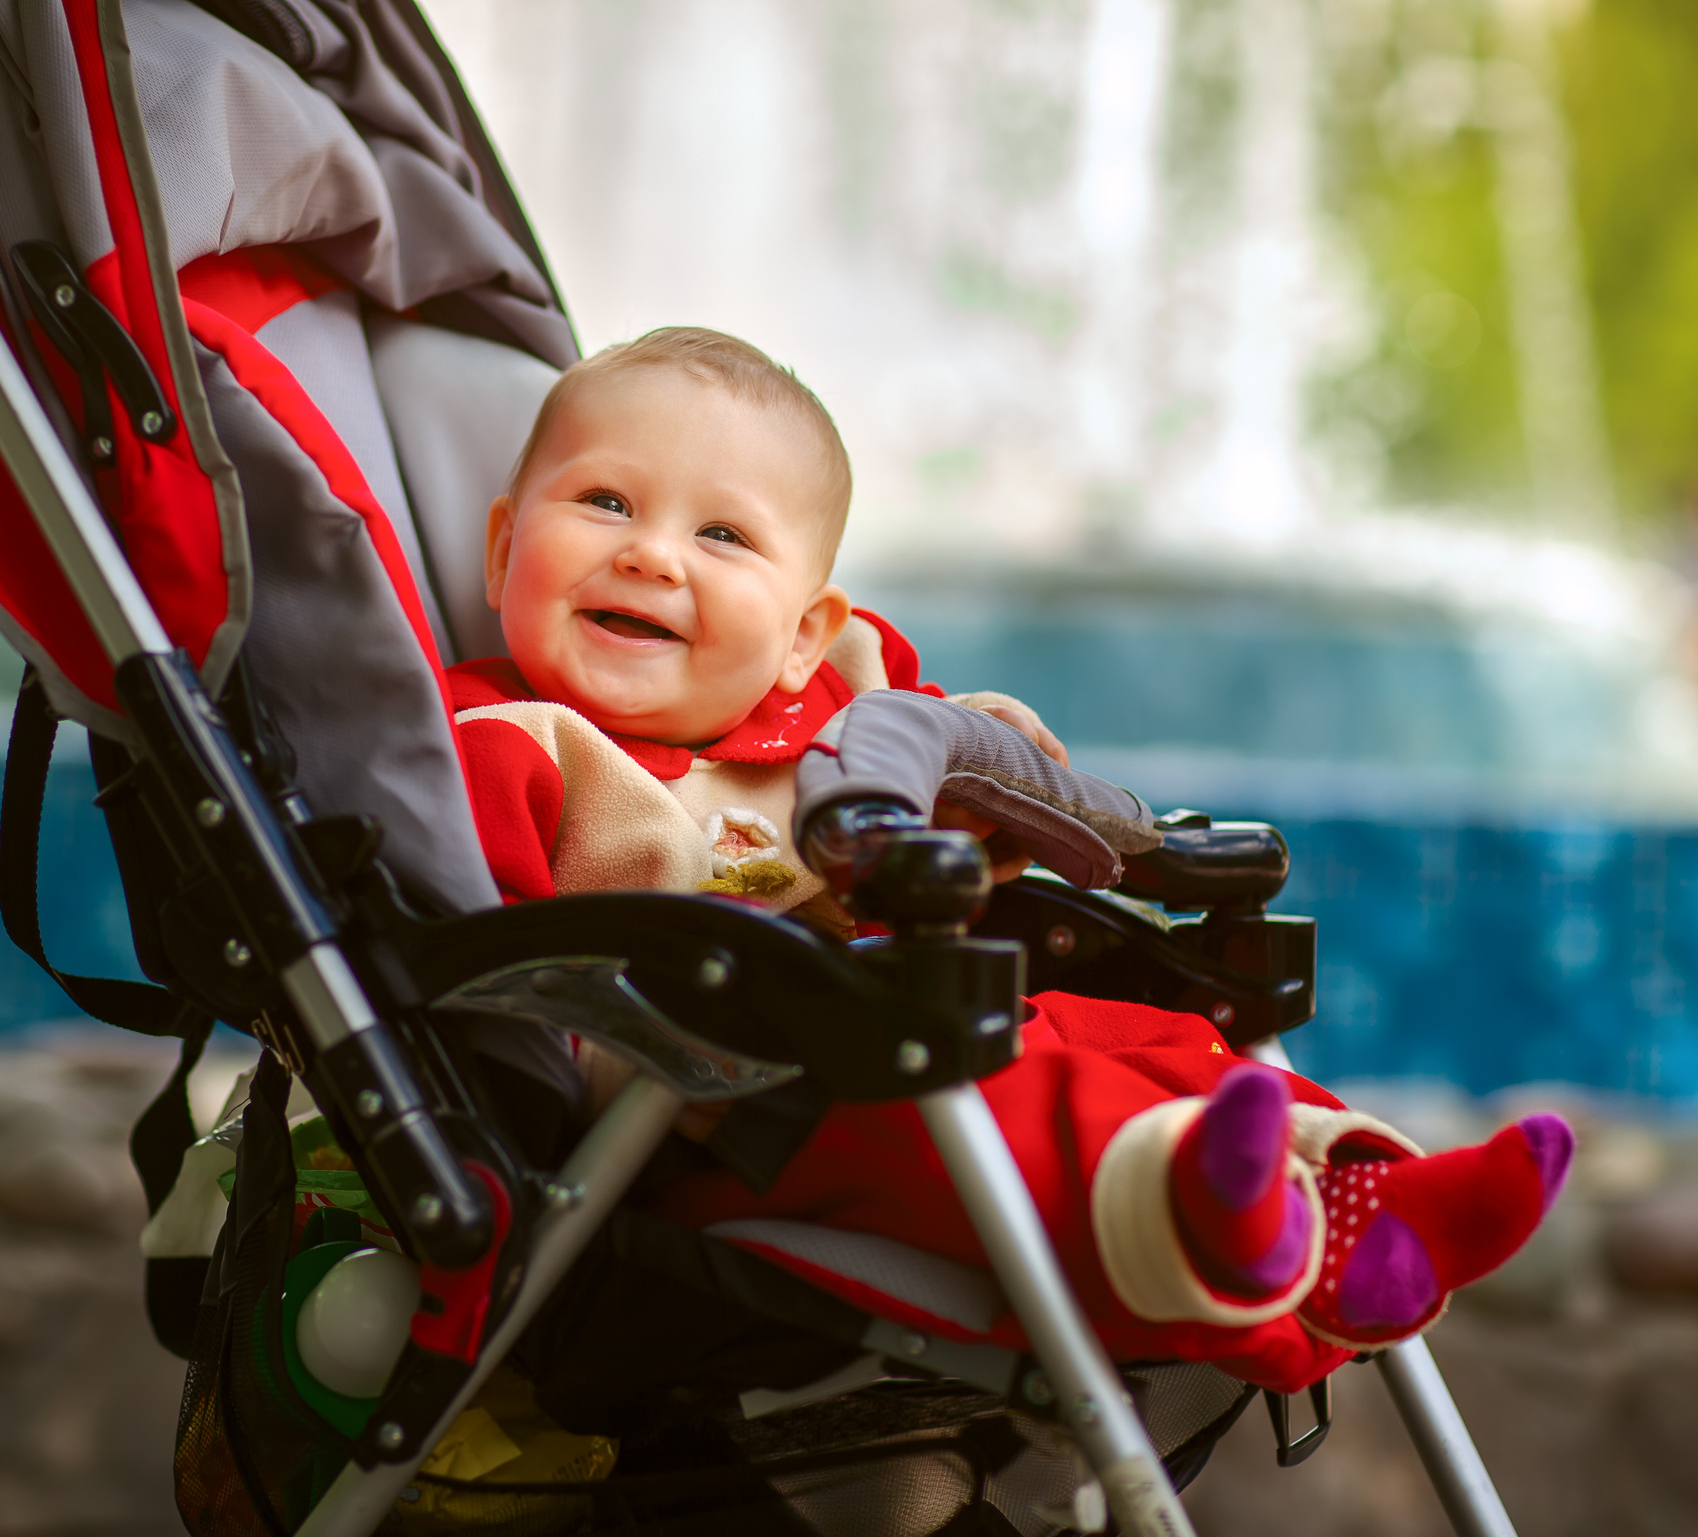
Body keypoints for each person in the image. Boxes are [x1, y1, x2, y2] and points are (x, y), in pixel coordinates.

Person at [446, 326, 1570, 1393]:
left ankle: (1352, 1188)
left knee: (1137, 1029)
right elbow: (482, 974)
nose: (648, 553)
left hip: (895, 1011)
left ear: (801, 634)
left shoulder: (841, 715)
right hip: (714, 1098)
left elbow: (938, 766)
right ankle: (1196, 1209)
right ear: (503, 551)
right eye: (604, 503)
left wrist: (991, 763)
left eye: (721, 535)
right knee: (982, 1091)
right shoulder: (513, 746)